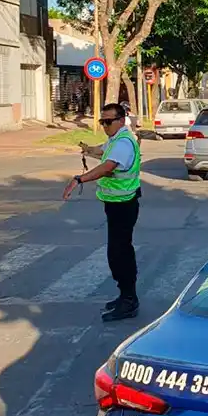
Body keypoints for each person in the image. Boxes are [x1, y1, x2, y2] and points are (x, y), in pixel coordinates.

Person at [62, 103, 142, 322]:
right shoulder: (116, 139)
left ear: (121, 120)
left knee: (120, 254)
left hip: (124, 205)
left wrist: (81, 178)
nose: (105, 125)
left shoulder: (124, 143)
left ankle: (129, 301)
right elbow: (103, 150)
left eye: (108, 121)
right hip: (117, 204)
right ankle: (125, 296)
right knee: (117, 252)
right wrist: (89, 149)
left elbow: (108, 166)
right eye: (102, 121)